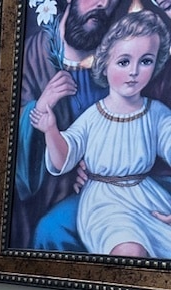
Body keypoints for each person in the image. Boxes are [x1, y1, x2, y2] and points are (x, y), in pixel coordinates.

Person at [13, 0, 171, 250]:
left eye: (145, 62)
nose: (103, 4)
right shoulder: (37, 52)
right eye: (123, 62)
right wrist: (45, 117)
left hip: (145, 192)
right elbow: (57, 151)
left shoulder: (133, 35)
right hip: (101, 203)